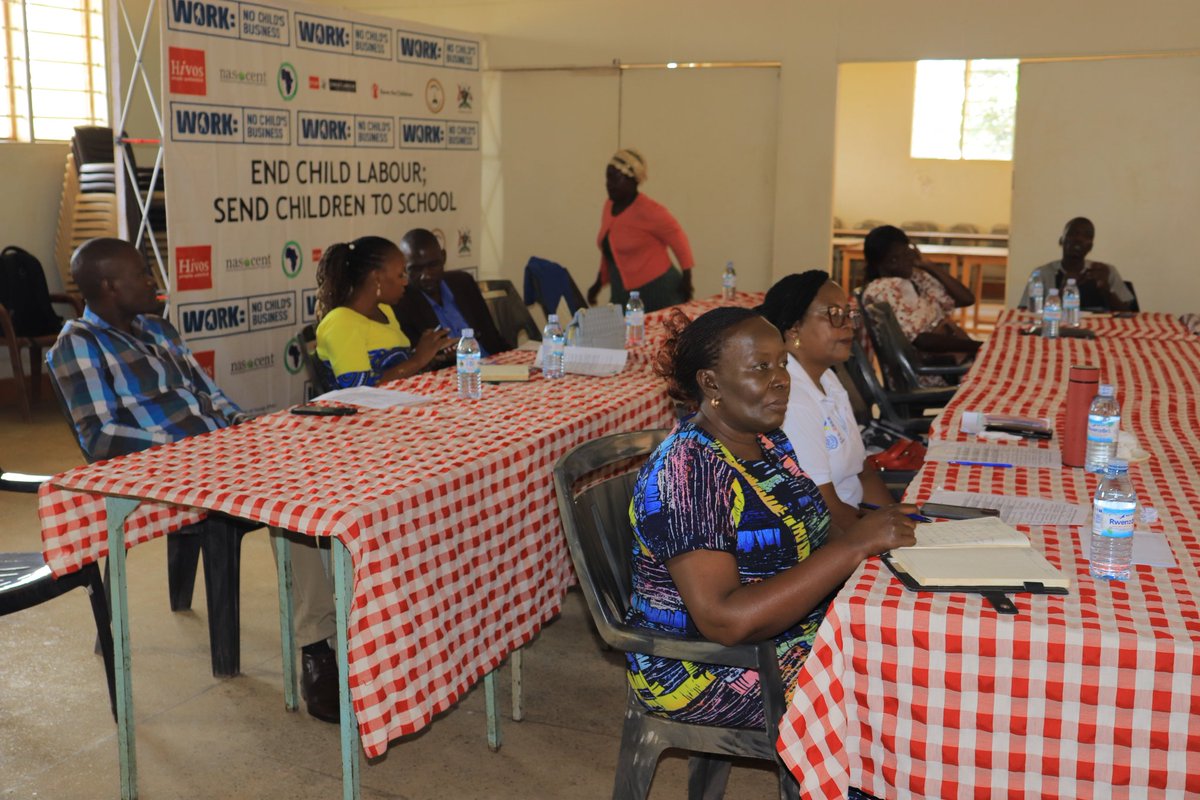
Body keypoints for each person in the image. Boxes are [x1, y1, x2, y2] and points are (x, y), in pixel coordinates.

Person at [47, 237, 341, 723]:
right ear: (109, 286)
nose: (152, 282)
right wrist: (189, 450)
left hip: (216, 454)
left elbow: (209, 395)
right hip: (162, 473)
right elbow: (101, 436)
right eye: (141, 273)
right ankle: (317, 649)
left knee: (315, 469)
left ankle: (349, 624)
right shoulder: (77, 343)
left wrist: (243, 425)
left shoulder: (158, 327)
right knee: (289, 495)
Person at [626, 306, 917, 731]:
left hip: (790, 631)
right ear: (711, 383)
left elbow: (818, 529)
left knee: (927, 646)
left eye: (782, 362)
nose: (781, 377)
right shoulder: (689, 471)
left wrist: (874, 539)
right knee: (901, 694)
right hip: (708, 668)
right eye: (760, 367)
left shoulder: (767, 440)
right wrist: (853, 546)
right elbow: (725, 620)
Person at [758, 271, 895, 530]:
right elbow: (824, 511)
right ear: (794, 328)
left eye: (848, 314)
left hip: (858, 524)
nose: (848, 325)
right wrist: (891, 533)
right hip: (831, 540)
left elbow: (862, 472)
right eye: (833, 314)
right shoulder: (792, 401)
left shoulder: (828, 379)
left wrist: (898, 516)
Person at [315, 235, 452, 386]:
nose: (405, 282)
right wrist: (417, 360)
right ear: (377, 278)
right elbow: (357, 387)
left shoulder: (385, 311)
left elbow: (393, 367)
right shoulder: (341, 322)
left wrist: (428, 353)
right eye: (400, 275)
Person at [861, 225, 980, 382]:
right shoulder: (885, 290)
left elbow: (966, 299)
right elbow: (922, 340)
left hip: (946, 361)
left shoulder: (914, 278)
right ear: (888, 263)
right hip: (925, 372)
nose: (911, 257)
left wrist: (929, 266)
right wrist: (977, 346)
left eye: (909, 250)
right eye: (903, 255)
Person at [586, 148, 695, 312]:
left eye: (616, 179)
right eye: (608, 177)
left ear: (634, 180)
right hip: (622, 290)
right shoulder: (609, 206)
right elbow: (609, 249)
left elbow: (678, 238)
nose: (609, 184)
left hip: (659, 289)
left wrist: (687, 279)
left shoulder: (649, 210)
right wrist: (599, 282)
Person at [392, 228, 509, 358]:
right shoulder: (401, 304)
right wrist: (444, 357)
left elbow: (492, 337)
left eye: (433, 265)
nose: (426, 276)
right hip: (450, 374)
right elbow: (416, 360)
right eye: (416, 269)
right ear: (404, 268)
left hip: (491, 364)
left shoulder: (463, 283)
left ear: (443, 257)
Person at [1018, 217, 1134, 311]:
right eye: (1073, 233)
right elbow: (1024, 313)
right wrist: (1064, 290)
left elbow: (1127, 315)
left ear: (1091, 246)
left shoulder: (1106, 271)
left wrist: (1105, 289)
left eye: (1087, 236)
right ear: (1061, 240)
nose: (1079, 239)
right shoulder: (1041, 274)